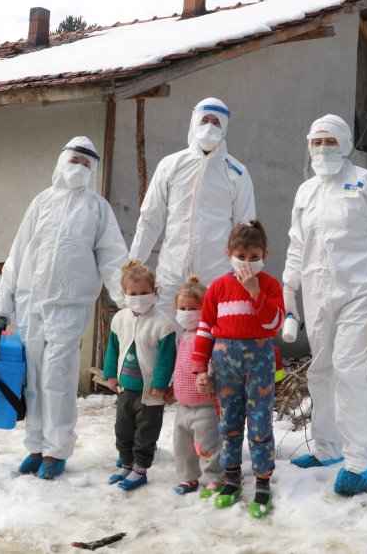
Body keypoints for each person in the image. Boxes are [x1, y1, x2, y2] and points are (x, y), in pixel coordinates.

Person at [282, 114, 367, 496]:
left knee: (349, 368)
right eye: (317, 142)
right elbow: (297, 244)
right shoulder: (306, 192)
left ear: (345, 145)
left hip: (361, 291)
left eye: (331, 142)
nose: (323, 149)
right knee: (321, 370)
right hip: (316, 291)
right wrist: (288, 286)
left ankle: (360, 460)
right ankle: (326, 449)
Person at [0, 136, 128, 481]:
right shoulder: (41, 202)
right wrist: (3, 301)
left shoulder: (97, 208)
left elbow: (112, 256)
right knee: (33, 379)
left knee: (58, 378)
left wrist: (126, 300)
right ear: (62, 160)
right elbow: (18, 252)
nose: (80, 168)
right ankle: (36, 447)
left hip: (69, 306)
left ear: (93, 169)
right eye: (75, 160)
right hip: (31, 304)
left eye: (87, 164)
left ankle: (57, 451)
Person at [191, 220, 285, 519]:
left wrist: (255, 291)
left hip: (259, 361)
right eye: (241, 256)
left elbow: (273, 325)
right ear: (229, 253)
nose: (247, 263)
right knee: (229, 424)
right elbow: (205, 329)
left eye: (254, 257)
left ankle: (262, 481)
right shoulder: (218, 287)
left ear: (264, 254)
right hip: (224, 362)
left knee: (260, 423)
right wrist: (200, 369)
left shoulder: (269, 285)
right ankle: (231, 479)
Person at [129, 97, 256, 317]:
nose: (209, 126)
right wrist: (134, 264)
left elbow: (245, 230)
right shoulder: (171, 165)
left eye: (216, 122)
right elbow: (150, 218)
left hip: (216, 273)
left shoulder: (237, 172)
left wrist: (242, 275)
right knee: (166, 335)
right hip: (171, 273)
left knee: (211, 339)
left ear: (225, 127)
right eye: (204, 119)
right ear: (194, 121)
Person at [103, 260, 176, 491]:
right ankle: (126, 464)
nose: (139, 297)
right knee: (123, 428)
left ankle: (140, 469)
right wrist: (111, 375)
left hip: (150, 393)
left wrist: (160, 384)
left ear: (154, 292)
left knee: (146, 432)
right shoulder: (119, 319)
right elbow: (113, 348)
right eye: (133, 293)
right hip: (125, 389)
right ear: (124, 293)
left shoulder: (163, 324)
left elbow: (166, 358)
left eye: (144, 292)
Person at [169, 275, 223, 498]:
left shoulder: (210, 335)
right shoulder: (183, 336)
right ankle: (188, 477)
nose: (186, 312)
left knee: (208, 445)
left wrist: (207, 379)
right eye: (182, 307)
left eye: (193, 307)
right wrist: (172, 387)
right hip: (183, 405)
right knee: (183, 447)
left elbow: (214, 363)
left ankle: (214, 478)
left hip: (205, 404)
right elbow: (179, 365)